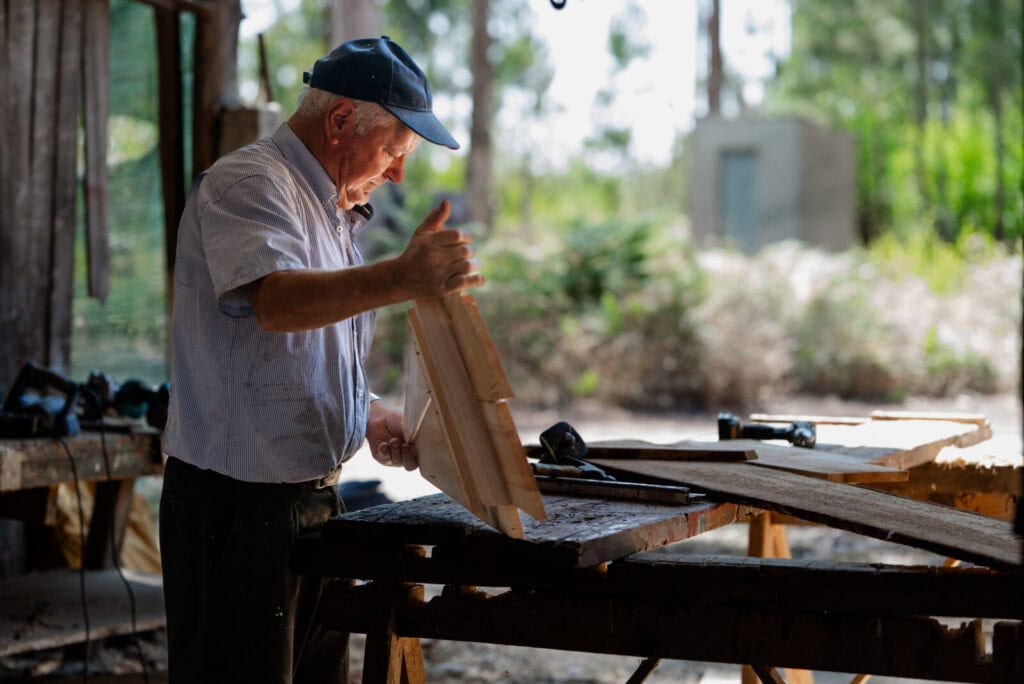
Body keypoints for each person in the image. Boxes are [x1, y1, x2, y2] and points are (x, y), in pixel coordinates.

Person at [159, 36, 482, 683]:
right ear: (339, 120)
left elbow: (299, 351)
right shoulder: (248, 183)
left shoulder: (332, 212)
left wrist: (368, 413)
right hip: (235, 511)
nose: (397, 174)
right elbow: (277, 304)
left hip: (308, 504)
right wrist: (402, 278)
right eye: (394, 150)